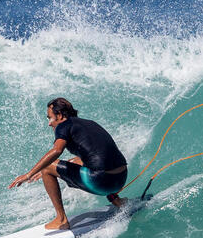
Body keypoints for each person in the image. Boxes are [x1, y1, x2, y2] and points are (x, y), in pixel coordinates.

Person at [8, 98, 128, 230]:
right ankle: (117, 200)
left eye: (50, 118)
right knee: (87, 162)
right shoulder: (89, 123)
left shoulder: (63, 126)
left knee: (48, 167)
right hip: (120, 178)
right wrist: (58, 168)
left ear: (59, 115)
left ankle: (61, 219)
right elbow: (97, 155)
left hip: (101, 182)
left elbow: (57, 150)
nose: (49, 124)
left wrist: (29, 174)